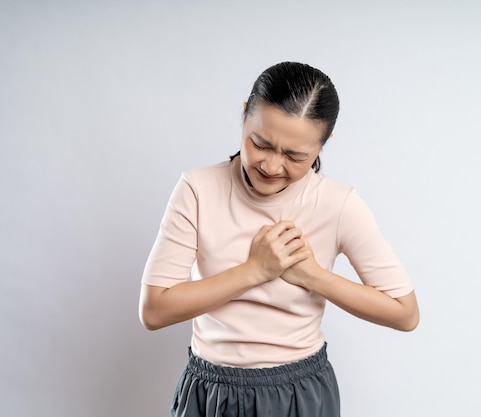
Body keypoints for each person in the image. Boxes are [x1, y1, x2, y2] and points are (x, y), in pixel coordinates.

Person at [139, 61, 419, 417]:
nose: (272, 167)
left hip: (297, 392)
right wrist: (255, 270)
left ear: (323, 144)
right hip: (210, 390)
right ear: (244, 115)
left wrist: (311, 276)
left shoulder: (338, 204)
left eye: (295, 155)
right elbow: (154, 310)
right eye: (260, 144)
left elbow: (405, 313)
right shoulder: (197, 189)